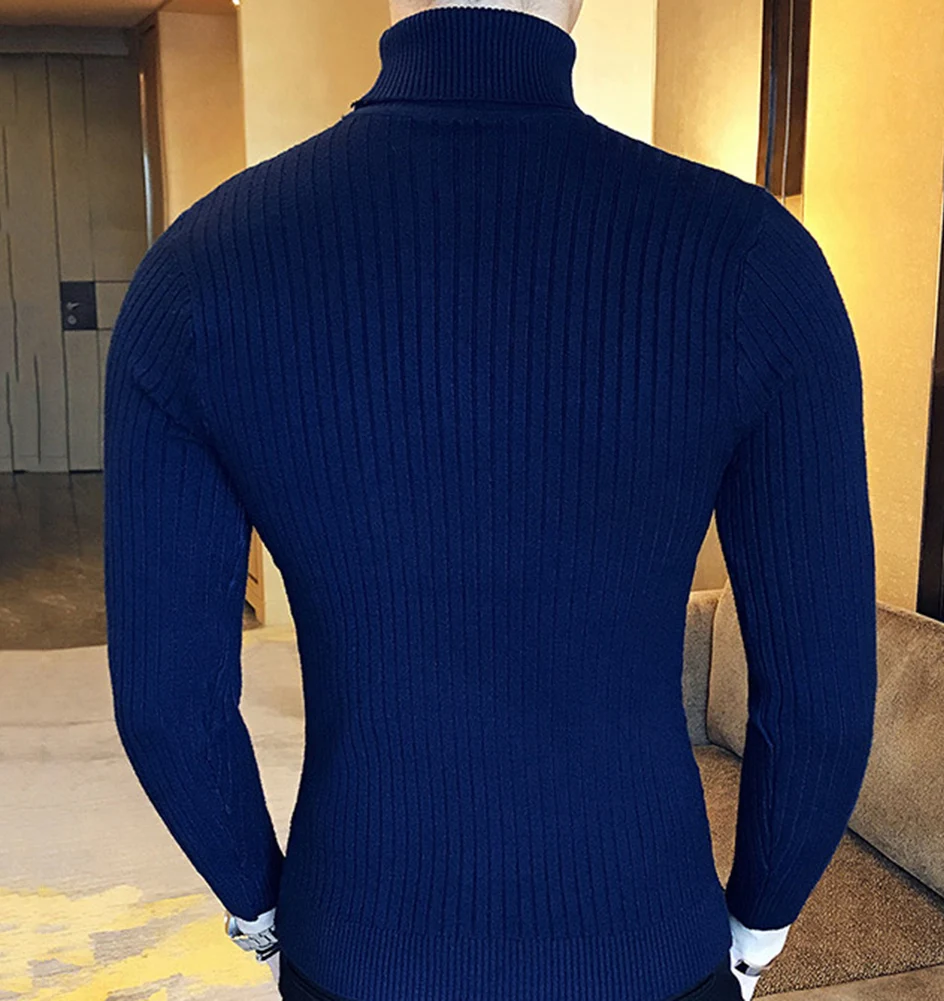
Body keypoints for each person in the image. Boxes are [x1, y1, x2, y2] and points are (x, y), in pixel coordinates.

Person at [102, 0, 878, 999]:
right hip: (646, 940)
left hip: (358, 940)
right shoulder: (754, 261)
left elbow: (167, 702)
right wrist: (759, 923)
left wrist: (256, 901)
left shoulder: (195, 273)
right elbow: (818, 703)